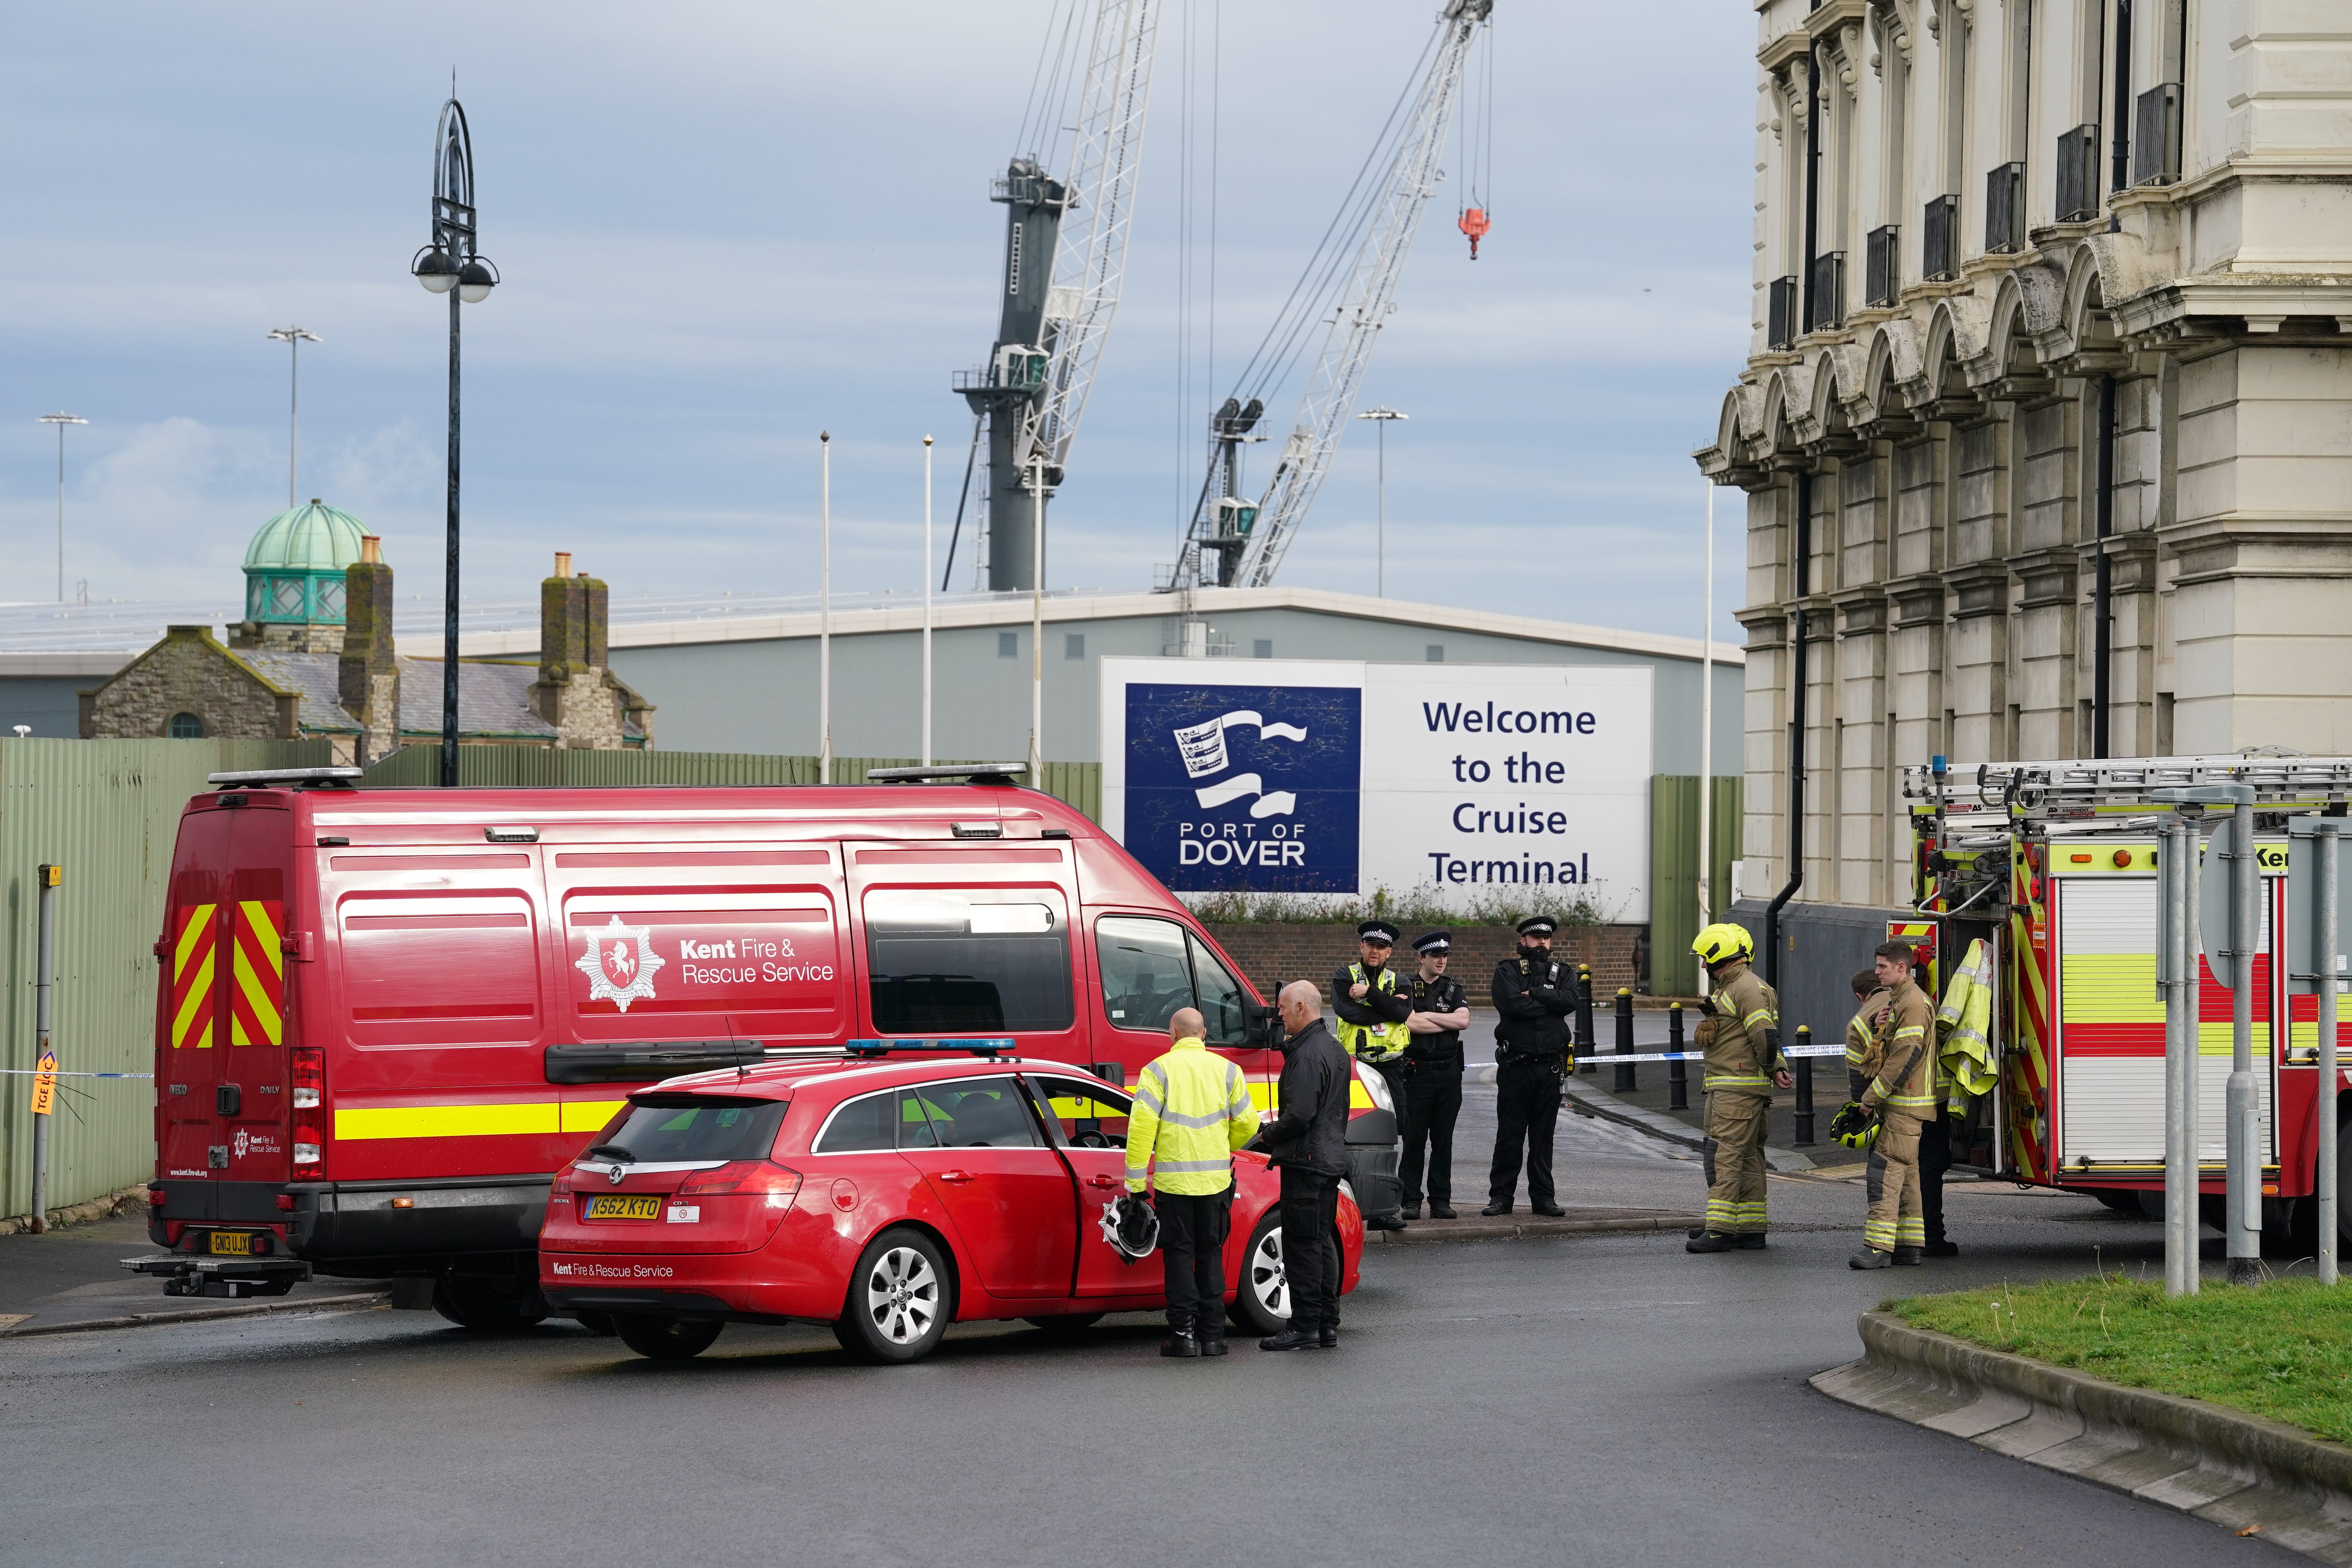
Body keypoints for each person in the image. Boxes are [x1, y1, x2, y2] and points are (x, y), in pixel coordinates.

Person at [1125, 1007, 1260, 1358]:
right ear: (1203, 1035)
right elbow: (1248, 1122)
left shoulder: (1157, 1071)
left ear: (1172, 1034)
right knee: (1211, 1255)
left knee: (1180, 1258)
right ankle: (1214, 1337)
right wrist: (1222, 1146)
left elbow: (1141, 1131)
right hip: (1215, 1184)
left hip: (1174, 1186)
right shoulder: (1229, 1070)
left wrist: (1135, 1183)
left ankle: (1183, 1336)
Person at [1684, 922, 1792, 1254]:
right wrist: (1777, 1068)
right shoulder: (1739, 986)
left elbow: (1764, 1036)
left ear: (1723, 956)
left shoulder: (1745, 988)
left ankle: (1719, 1230)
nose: (1703, 965)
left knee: (1723, 1158)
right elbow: (1763, 1036)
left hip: (1736, 1091)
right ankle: (1750, 1228)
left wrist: (1774, 1065)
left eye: (1706, 958)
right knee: (1746, 1159)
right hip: (1736, 1089)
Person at [1256, 980, 1350, 1350]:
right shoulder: (1332, 1047)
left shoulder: (1307, 1055)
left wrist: (1268, 1136)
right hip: (1327, 1161)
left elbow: (1299, 1116)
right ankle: (1327, 1323)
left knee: (1302, 1247)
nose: (1278, 1014)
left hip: (1306, 1163)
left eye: (1282, 1007)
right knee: (1321, 1242)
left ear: (1301, 1007)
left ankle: (1305, 1325)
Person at [1851, 941, 1938, 1270]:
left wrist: (1870, 1097)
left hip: (1902, 1104)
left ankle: (1877, 1248)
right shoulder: (1901, 1000)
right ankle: (1908, 1247)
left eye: (1882, 967)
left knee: (1885, 1173)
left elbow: (1906, 1056)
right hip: (1907, 1104)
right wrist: (1882, 1028)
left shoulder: (1912, 1003)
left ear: (1902, 968)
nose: (1876, 972)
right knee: (1907, 1176)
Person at [1486, 915, 1574, 1217]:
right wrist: (1551, 1005)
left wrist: (1536, 994)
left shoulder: (1563, 971)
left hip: (1550, 1067)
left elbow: (1571, 1000)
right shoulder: (1507, 970)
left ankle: (1543, 1198)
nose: (1542, 942)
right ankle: (1501, 1198)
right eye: (1535, 937)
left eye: (1546, 938)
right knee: (1509, 1135)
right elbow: (1511, 1004)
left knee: (1542, 1138)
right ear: (1523, 940)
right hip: (1516, 1066)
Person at [1331, 919, 1413, 1232]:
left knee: (1391, 1134)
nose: (1375, 951)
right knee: (1349, 1134)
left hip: (1391, 1069)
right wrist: (1389, 1007)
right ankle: (1346, 1204)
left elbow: (1405, 1014)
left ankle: (1384, 1210)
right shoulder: (1344, 975)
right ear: (1361, 947)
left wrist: (1368, 993)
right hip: (1354, 1069)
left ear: (1389, 952)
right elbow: (1346, 1011)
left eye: (1381, 947)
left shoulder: (1400, 980)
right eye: (1371, 946)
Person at [1398, 931, 1471, 1219]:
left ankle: (1441, 1200)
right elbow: (1409, 1023)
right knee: (1414, 1139)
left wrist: (1427, 1016)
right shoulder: (1405, 986)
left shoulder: (1454, 989)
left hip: (1449, 1074)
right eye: (1436, 956)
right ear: (1421, 958)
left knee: (1443, 1140)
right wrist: (1445, 1021)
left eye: (1444, 956)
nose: (1441, 961)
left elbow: (1463, 1020)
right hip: (1417, 1074)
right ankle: (1411, 1201)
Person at [1844, 967, 1889, 1102]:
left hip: (1889, 1097)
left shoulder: (1856, 1024)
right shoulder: (1913, 998)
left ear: (1860, 997)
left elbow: (1858, 1074)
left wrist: (1861, 1105)